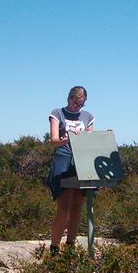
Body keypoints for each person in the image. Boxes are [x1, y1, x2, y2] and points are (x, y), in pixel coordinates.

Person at [48, 86, 94, 254]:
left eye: (81, 104)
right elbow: (53, 140)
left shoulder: (88, 116)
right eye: (76, 103)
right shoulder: (57, 113)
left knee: (77, 208)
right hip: (64, 160)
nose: (78, 107)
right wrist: (67, 139)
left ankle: (70, 247)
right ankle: (54, 247)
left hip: (81, 162)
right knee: (64, 208)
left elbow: (90, 140)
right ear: (69, 99)